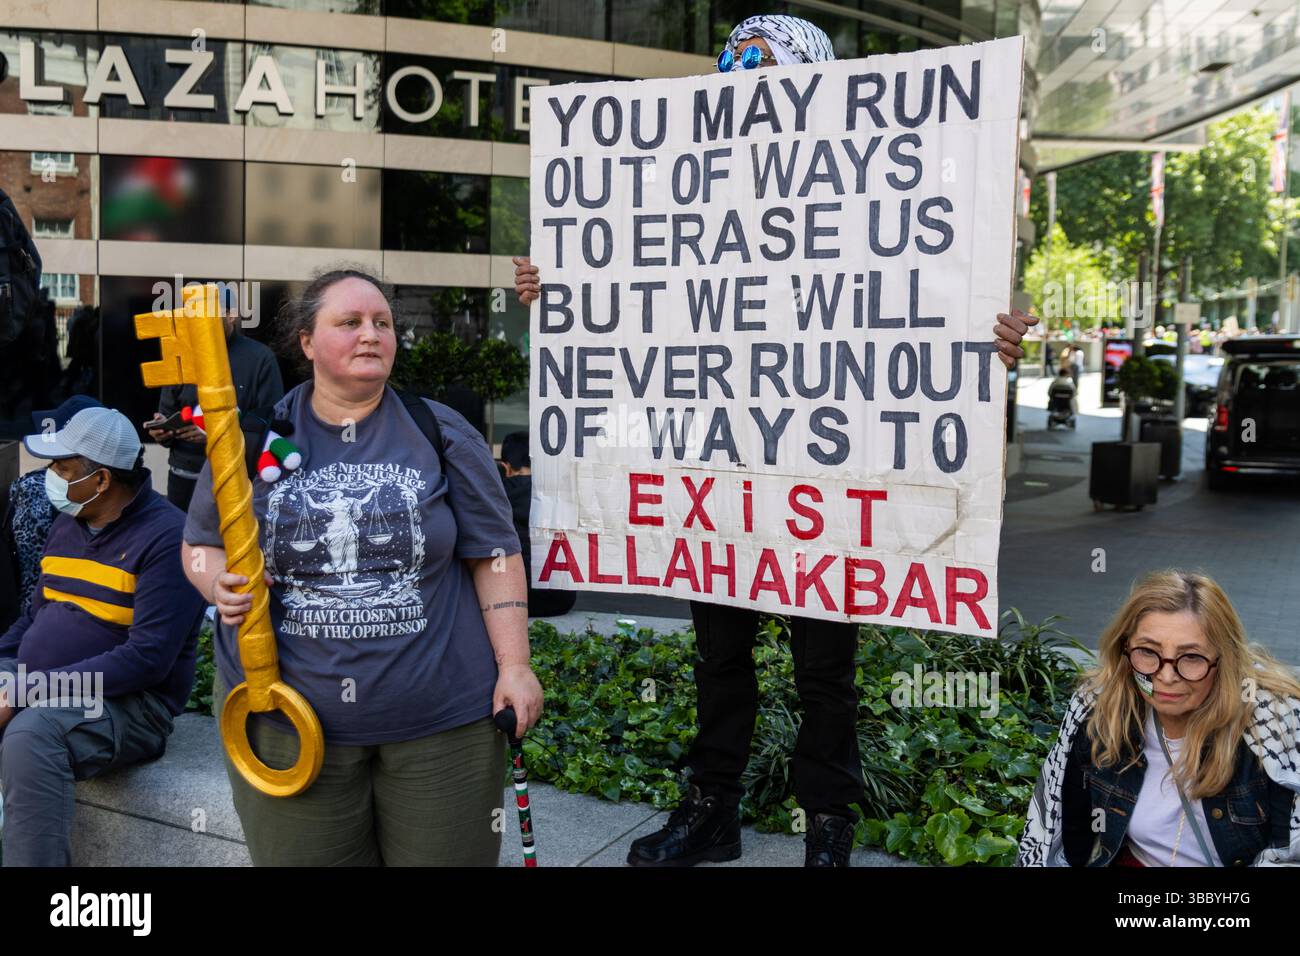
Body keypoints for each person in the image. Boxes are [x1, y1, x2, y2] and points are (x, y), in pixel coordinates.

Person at [513, 14, 1042, 868]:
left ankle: (828, 824)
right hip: (720, 478)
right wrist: (567, 286)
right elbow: (642, 296)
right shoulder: (684, 195)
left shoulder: (865, 195)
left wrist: (989, 339)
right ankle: (712, 810)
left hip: (823, 482)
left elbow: (920, 297)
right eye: (738, 81)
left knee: (824, 673)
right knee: (718, 661)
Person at [180, 268, 543, 866]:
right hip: (284, 719)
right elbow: (198, 545)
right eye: (349, 322)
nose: (371, 333)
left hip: (441, 728)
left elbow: (495, 553)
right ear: (306, 342)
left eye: (381, 323)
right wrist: (215, 581)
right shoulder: (250, 438)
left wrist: (517, 666)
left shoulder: (440, 429)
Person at [0, 406, 206, 866]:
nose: (51, 476)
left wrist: (24, 691)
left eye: (63, 468)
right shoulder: (68, 524)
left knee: (31, 733)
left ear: (101, 481)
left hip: (130, 703)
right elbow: (34, 617)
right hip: (43, 680)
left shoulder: (169, 539)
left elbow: (145, 660)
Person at [1019, 571, 1300, 867]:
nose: (1165, 677)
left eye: (1191, 657)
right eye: (1148, 652)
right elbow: (1071, 837)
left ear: (1224, 659)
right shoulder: (1099, 709)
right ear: (1125, 650)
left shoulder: (1276, 722)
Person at [147, 288, 283, 514]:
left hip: (236, 477)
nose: (199, 321)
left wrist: (216, 435)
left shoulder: (260, 358)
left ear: (231, 315)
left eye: (207, 314)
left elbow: (271, 422)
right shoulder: (182, 353)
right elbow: (168, 412)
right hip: (184, 478)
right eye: (192, 314)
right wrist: (162, 430)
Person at [1, 395, 102, 633]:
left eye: (63, 464)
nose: (52, 471)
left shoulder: (31, 490)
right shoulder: (33, 491)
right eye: (54, 462)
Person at [497, 431, 576, 618]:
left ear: (505, 467)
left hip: (510, 599)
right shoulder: (560, 494)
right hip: (560, 600)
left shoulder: (495, 496)